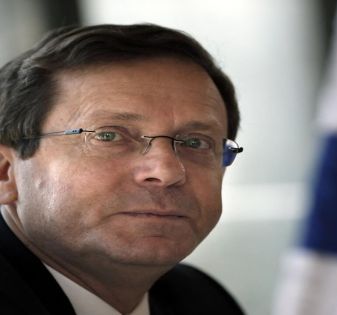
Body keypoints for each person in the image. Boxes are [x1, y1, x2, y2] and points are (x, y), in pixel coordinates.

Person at [0, 23, 245, 315]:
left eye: (195, 142)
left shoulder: (202, 301)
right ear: (6, 172)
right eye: (109, 136)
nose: (167, 171)